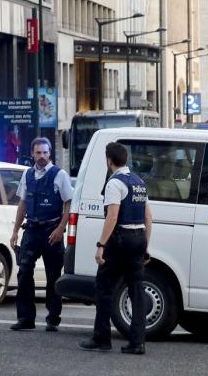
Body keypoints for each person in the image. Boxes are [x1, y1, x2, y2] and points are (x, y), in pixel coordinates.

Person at [80, 142, 153, 355]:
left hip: (120, 240)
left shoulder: (114, 184)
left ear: (109, 161)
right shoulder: (139, 182)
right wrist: (146, 246)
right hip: (139, 238)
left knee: (104, 287)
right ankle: (137, 342)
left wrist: (101, 245)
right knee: (136, 291)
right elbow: (149, 217)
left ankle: (102, 338)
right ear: (126, 160)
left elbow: (112, 216)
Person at [9, 137, 73, 332]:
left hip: (51, 231)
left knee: (53, 276)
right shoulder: (27, 175)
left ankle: (53, 318)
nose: (42, 156)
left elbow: (69, 203)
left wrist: (61, 228)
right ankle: (26, 318)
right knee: (24, 272)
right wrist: (15, 231)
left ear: (50, 153)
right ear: (33, 154)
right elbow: (22, 204)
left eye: (45, 153)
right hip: (32, 230)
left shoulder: (59, 175)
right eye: (38, 153)